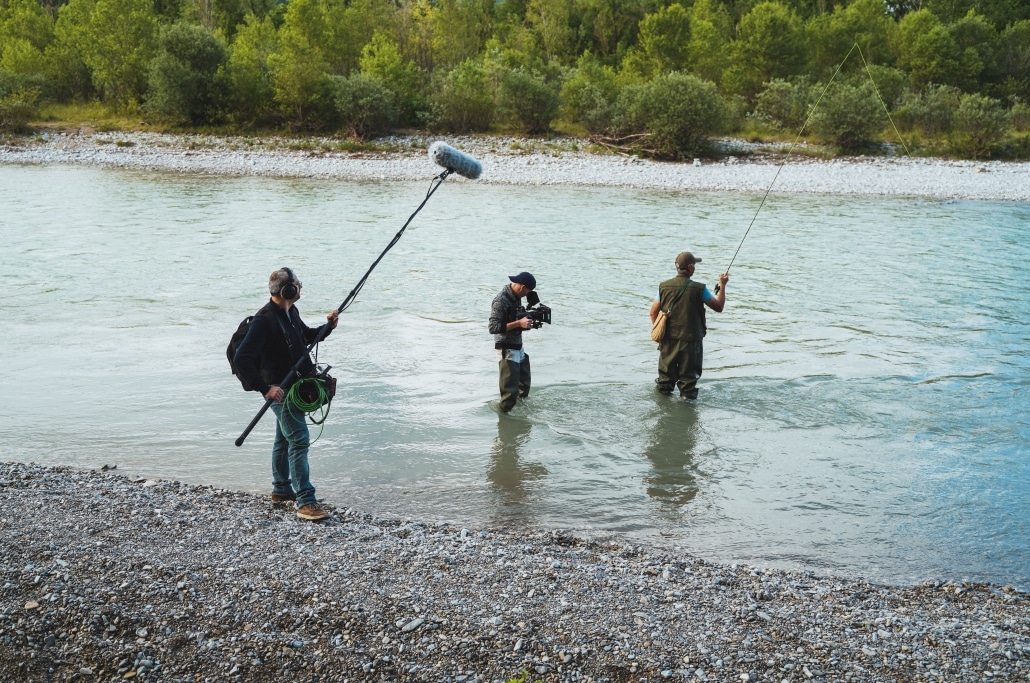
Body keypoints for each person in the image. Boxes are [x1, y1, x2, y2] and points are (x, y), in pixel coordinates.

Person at [233, 267, 340, 521]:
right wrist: (265, 388)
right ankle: (305, 501)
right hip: (280, 390)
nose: (300, 286)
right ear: (287, 290)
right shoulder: (264, 320)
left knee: (284, 438)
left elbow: (307, 338)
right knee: (299, 438)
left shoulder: (290, 312)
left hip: (295, 386)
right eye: (297, 283)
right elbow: (242, 358)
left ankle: (281, 490)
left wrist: (329, 326)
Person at [649, 252, 728, 399]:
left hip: (668, 341)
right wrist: (722, 286)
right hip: (691, 342)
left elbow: (653, 312)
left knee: (664, 383)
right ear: (690, 268)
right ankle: (687, 414)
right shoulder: (699, 289)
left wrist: (660, 334)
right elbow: (719, 307)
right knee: (689, 383)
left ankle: (663, 417)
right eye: (695, 266)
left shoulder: (664, 287)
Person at [489, 271, 537, 412]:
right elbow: (493, 327)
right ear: (522, 287)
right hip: (506, 349)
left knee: (524, 386)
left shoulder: (516, 297)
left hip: (518, 346)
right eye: (528, 291)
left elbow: (514, 319)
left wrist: (528, 322)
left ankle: (521, 416)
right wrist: (518, 324)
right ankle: (504, 421)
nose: (528, 295)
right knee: (509, 394)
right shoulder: (500, 300)